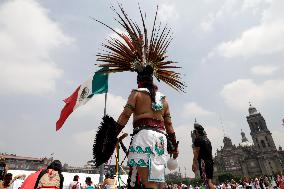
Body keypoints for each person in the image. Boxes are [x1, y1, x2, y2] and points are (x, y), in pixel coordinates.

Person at [93, 4, 185, 189]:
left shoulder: (136, 94)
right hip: (160, 139)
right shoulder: (164, 98)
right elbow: (170, 126)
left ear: (139, 80)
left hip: (143, 137)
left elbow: (124, 116)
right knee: (159, 182)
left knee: (148, 183)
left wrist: (112, 136)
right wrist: (174, 146)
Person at [191, 122, 215, 189]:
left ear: (196, 132)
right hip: (210, 162)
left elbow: (196, 152)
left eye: (195, 132)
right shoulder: (207, 140)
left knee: (207, 182)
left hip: (203, 163)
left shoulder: (197, 140)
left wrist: (194, 163)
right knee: (209, 182)